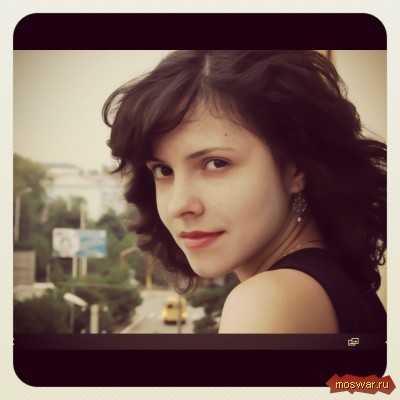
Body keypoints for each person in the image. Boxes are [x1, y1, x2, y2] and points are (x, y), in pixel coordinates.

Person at [103, 50, 386, 334]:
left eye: (216, 163)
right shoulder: (336, 285)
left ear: (295, 169)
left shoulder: (269, 302)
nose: (178, 205)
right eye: (164, 170)